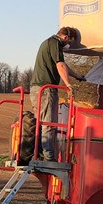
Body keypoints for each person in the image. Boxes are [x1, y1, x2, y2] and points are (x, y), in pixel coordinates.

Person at [29, 26, 82, 160]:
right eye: (69, 42)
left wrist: (77, 76)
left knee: (40, 123)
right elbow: (60, 65)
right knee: (50, 123)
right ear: (65, 37)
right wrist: (68, 85)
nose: (68, 45)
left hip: (36, 89)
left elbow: (63, 65)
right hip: (46, 89)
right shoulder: (55, 43)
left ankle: (39, 153)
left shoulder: (47, 43)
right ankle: (48, 156)